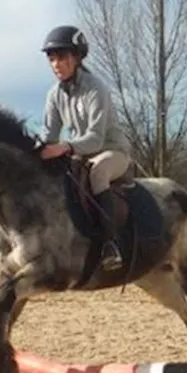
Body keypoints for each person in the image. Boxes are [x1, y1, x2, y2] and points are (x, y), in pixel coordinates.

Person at [37, 24, 134, 271]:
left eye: (62, 57)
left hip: (113, 152)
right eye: (52, 59)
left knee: (97, 172)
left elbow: (96, 140)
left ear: (77, 57)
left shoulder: (95, 88)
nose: (56, 64)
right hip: (80, 153)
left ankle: (110, 245)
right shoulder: (54, 95)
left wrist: (65, 146)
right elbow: (49, 136)